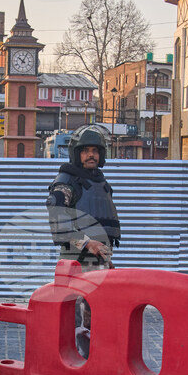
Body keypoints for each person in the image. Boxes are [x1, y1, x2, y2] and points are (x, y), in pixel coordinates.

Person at [46, 124, 120, 356]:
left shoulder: (99, 181)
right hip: (77, 262)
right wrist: (87, 243)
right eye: (86, 150)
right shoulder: (68, 181)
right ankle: (74, 367)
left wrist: (107, 259)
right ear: (77, 153)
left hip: (98, 263)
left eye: (95, 150)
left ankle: (91, 364)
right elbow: (57, 216)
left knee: (96, 319)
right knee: (76, 322)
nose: (91, 155)